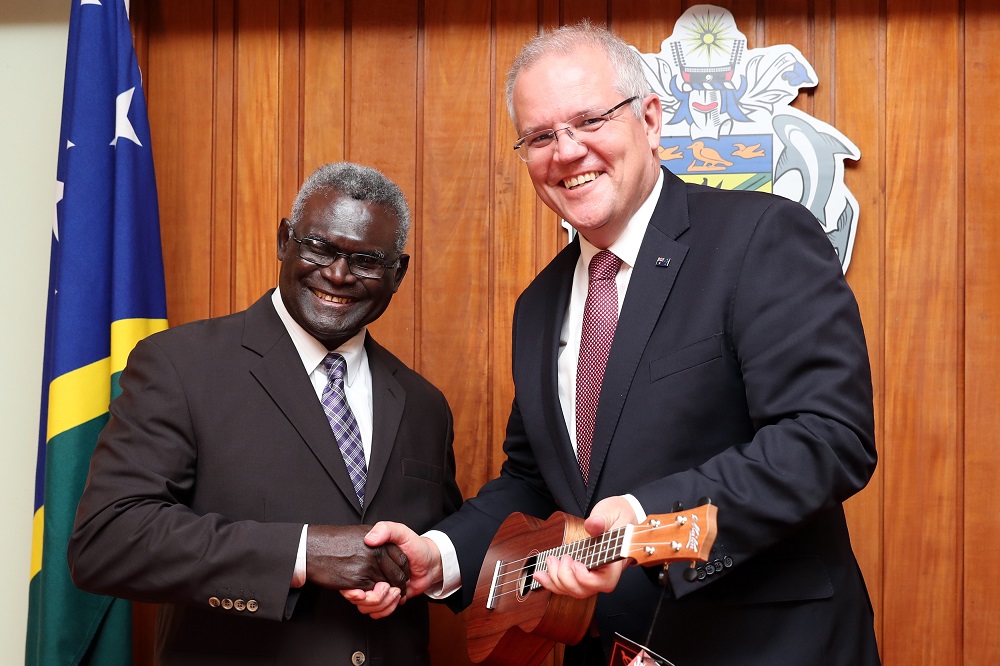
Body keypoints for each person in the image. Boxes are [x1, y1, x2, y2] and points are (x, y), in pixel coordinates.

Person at [352, 22, 880, 666]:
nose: (566, 152)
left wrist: (644, 514)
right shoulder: (538, 306)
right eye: (540, 136)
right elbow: (534, 482)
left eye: (589, 121)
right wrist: (440, 555)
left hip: (769, 647)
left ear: (650, 120)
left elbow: (826, 439)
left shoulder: (760, 237)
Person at [68, 162, 463, 665]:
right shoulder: (179, 365)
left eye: (366, 260)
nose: (337, 275)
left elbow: (439, 550)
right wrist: (302, 553)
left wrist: (410, 575)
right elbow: (106, 541)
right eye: (319, 248)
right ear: (284, 241)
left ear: (397, 273)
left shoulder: (425, 405)